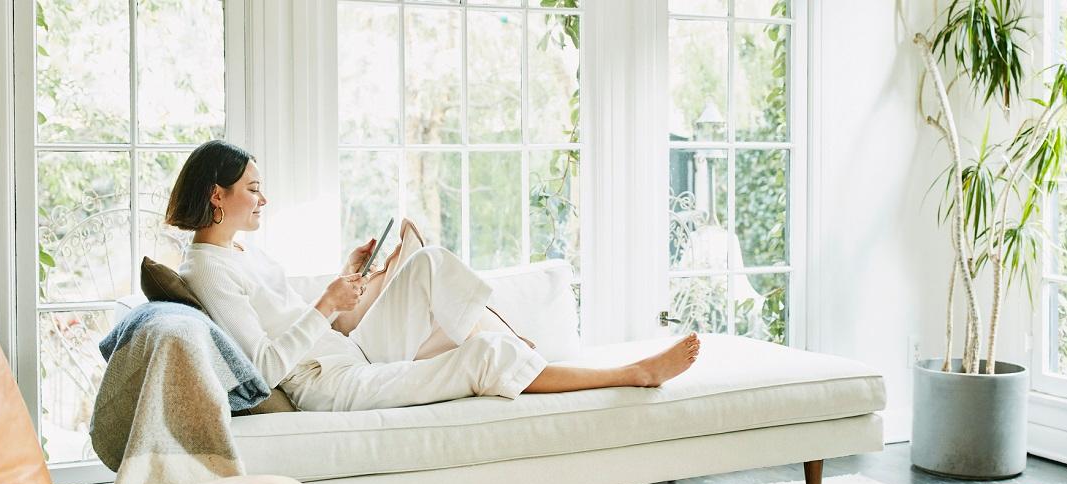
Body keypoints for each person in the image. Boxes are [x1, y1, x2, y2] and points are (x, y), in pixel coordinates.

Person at [169, 140, 700, 412]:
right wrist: (328, 304)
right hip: (329, 384)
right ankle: (634, 373)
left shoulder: (238, 251)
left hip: (347, 353)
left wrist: (346, 277)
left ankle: (517, 347)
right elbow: (261, 370)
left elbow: (288, 317)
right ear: (219, 195)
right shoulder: (208, 270)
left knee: (428, 261)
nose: (264, 197)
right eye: (253, 188)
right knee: (485, 355)